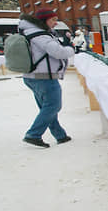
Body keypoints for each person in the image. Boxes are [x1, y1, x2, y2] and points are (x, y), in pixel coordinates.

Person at [18, 8, 75, 148]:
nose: (56, 23)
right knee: (53, 106)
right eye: (53, 20)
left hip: (32, 75)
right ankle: (33, 134)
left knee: (47, 107)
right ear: (44, 20)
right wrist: (71, 49)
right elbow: (58, 52)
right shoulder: (40, 35)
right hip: (44, 77)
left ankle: (59, 135)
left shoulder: (29, 32)